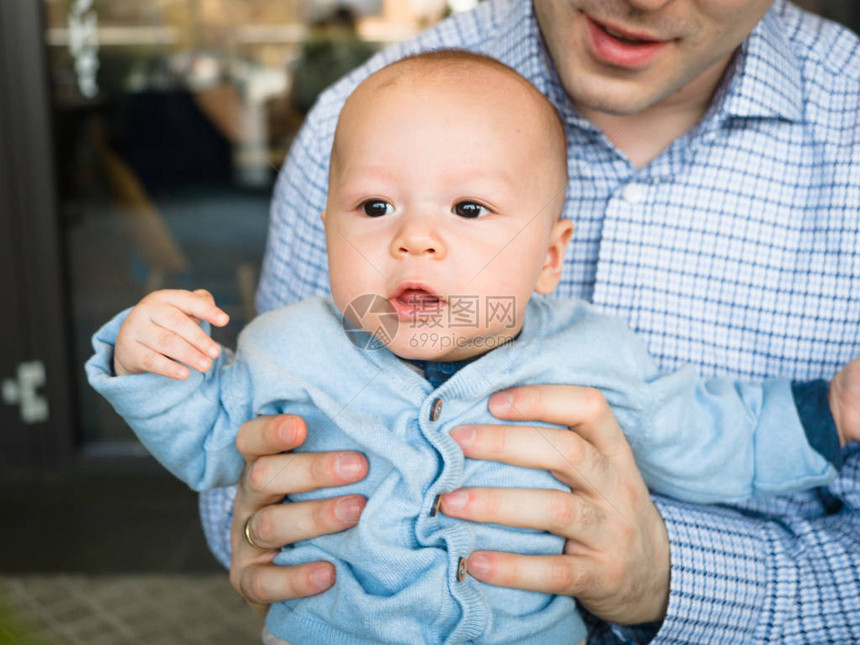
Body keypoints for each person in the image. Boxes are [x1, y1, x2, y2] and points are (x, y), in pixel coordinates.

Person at [88, 51, 857, 644]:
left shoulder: (591, 355)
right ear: (326, 231)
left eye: (468, 208)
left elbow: (704, 428)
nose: (415, 237)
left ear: (549, 258)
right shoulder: (287, 348)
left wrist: (826, 412)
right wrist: (146, 357)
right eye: (374, 205)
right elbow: (208, 440)